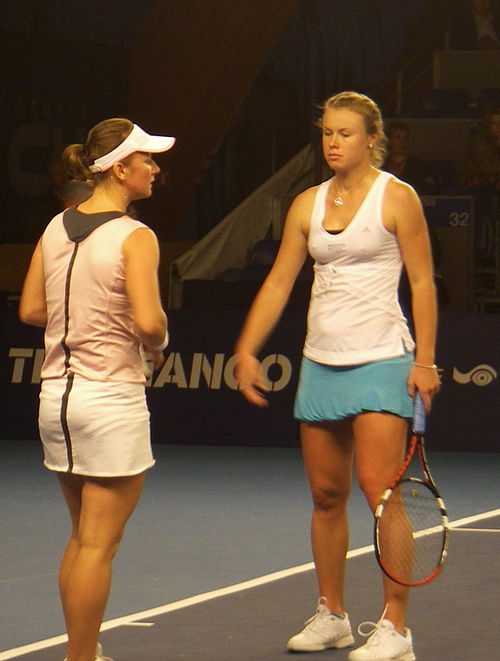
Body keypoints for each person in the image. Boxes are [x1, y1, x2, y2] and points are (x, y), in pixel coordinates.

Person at [234, 91, 440, 661]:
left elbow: (422, 283)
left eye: (345, 133)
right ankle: (333, 615)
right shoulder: (306, 203)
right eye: (326, 132)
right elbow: (278, 282)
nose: (333, 142)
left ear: (372, 138)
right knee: (326, 495)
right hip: (321, 362)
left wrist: (425, 360)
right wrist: (248, 348)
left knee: (382, 498)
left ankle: (395, 628)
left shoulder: (398, 199)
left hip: (382, 359)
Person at [19, 118, 175, 661]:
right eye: (147, 160)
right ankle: (80, 657)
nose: (155, 169)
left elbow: (32, 310)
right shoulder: (136, 236)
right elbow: (152, 324)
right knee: (97, 544)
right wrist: (149, 336)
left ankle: (84, 651)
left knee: (83, 538)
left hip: (55, 402)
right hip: (109, 401)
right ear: (120, 168)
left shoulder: (55, 226)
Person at [462, 103, 500, 191]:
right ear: (488, 124)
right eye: (494, 123)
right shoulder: (478, 142)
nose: (499, 127)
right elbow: (487, 169)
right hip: (476, 184)